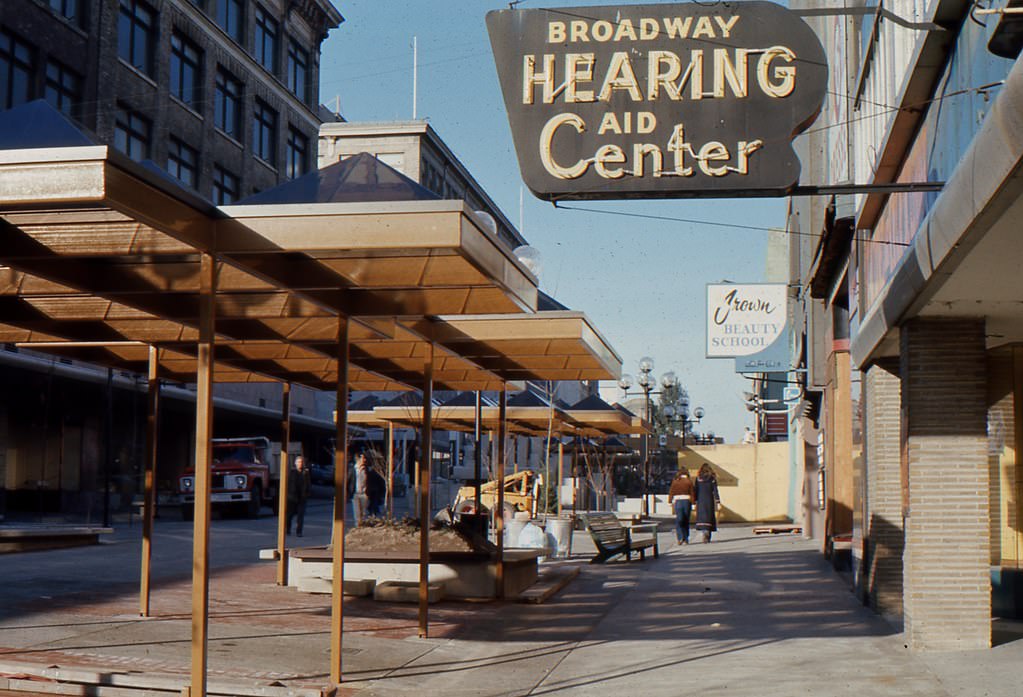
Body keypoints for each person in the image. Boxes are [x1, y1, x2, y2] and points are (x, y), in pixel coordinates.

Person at [693, 463, 721, 543]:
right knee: (709, 516)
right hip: (709, 500)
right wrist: (718, 501)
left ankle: (704, 531)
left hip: (701, 500)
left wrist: (694, 501)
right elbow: (715, 490)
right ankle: (707, 533)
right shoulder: (712, 478)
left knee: (702, 516)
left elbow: (696, 490)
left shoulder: (698, 479)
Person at [667, 467, 695, 545]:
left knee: (679, 520)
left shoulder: (675, 481)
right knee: (686, 520)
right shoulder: (689, 482)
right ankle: (686, 538)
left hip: (678, 501)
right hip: (687, 501)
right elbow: (692, 493)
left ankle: (680, 537)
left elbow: (671, 492)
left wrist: (670, 501)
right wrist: (693, 503)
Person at [286, 455, 311, 537]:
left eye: (301, 462)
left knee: (300, 516)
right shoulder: (292, 472)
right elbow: (288, 484)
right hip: (292, 498)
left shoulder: (306, 472)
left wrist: (307, 494)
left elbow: (308, 484)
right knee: (290, 515)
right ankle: (287, 529)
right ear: (295, 463)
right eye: (299, 462)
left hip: (302, 497)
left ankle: (299, 532)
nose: (300, 464)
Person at [347, 451, 370, 526]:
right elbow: (348, 481)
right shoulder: (352, 469)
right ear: (358, 459)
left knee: (363, 513)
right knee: (357, 513)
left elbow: (369, 482)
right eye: (363, 458)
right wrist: (349, 493)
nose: (364, 460)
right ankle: (358, 526)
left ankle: (362, 526)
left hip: (364, 494)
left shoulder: (366, 470)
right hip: (355, 494)